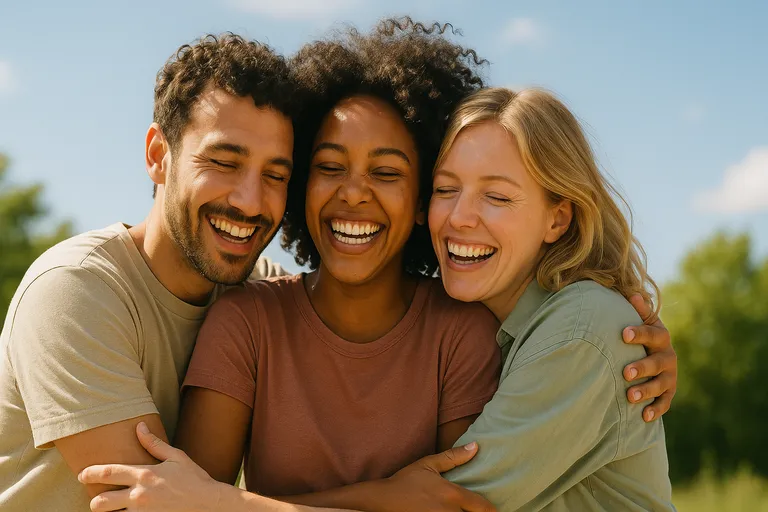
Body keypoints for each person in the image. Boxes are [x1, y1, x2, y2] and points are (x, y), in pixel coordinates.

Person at [77, 20, 678, 512]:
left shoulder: (520, 331)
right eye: (329, 166)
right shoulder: (247, 316)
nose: (355, 193)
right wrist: (391, 498)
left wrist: (223, 504)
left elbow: (449, 506)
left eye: (388, 173)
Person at [0, 33, 343, 512]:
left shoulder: (263, 292)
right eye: (224, 162)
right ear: (158, 155)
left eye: (275, 176)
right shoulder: (75, 290)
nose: (249, 200)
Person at [429, 87, 676, 510]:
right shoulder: (478, 321)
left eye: (497, 197)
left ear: (557, 219)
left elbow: (449, 504)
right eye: (445, 189)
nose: (459, 217)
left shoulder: (583, 327)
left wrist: (274, 505)